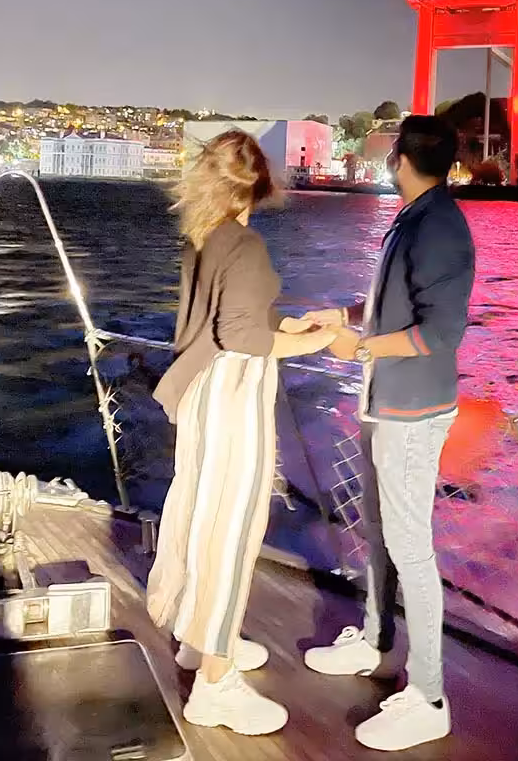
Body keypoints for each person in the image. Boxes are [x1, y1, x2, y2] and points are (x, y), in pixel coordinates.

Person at [146, 130, 339, 736]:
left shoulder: (202, 239)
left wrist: (287, 321)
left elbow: (232, 318)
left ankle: (197, 641)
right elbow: (245, 337)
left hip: (201, 391)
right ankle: (215, 683)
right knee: (232, 528)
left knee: (201, 514)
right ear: (260, 184)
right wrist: (317, 340)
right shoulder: (248, 244)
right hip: (233, 396)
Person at [303, 115, 475, 752]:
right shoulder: (416, 217)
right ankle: (375, 637)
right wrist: (345, 314)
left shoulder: (438, 227)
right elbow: (397, 304)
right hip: (389, 405)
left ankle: (429, 696)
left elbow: (440, 333)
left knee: (412, 549)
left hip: (413, 413)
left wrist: (360, 345)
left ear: (398, 156)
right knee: (380, 531)